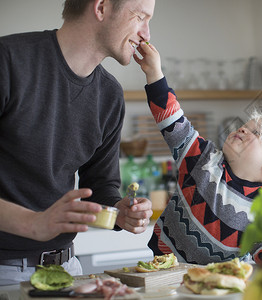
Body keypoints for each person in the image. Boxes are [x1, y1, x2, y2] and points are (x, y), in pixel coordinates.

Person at [0, 0, 155, 285]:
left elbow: (100, 186)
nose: (146, 33)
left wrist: (119, 211)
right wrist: (34, 223)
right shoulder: (8, 61)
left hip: (68, 269)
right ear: (101, 8)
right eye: (139, 17)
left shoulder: (109, 95)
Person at [133, 42, 262, 264]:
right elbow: (172, 120)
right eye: (245, 125)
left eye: (256, 133)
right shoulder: (202, 158)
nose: (243, 128)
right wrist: (155, 73)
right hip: (164, 268)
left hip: (220, 284)